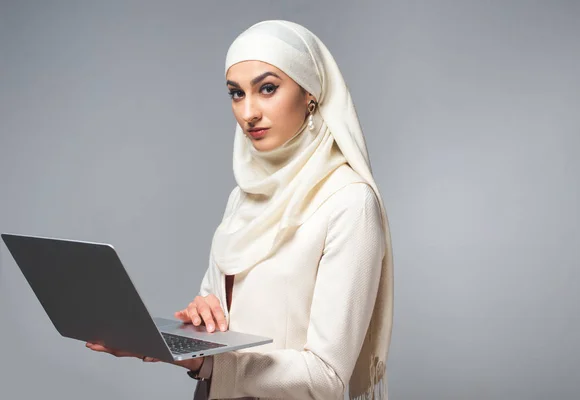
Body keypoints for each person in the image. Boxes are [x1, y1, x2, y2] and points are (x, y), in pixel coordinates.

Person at [87, 20, 394, 400]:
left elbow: (326, 375)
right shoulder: (245, 196)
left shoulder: (349, 202)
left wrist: (204, 363)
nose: (248, 112)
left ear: (310, 94)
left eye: (267, 89)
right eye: (236, 93)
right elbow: (225, 320)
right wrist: (199, 323)